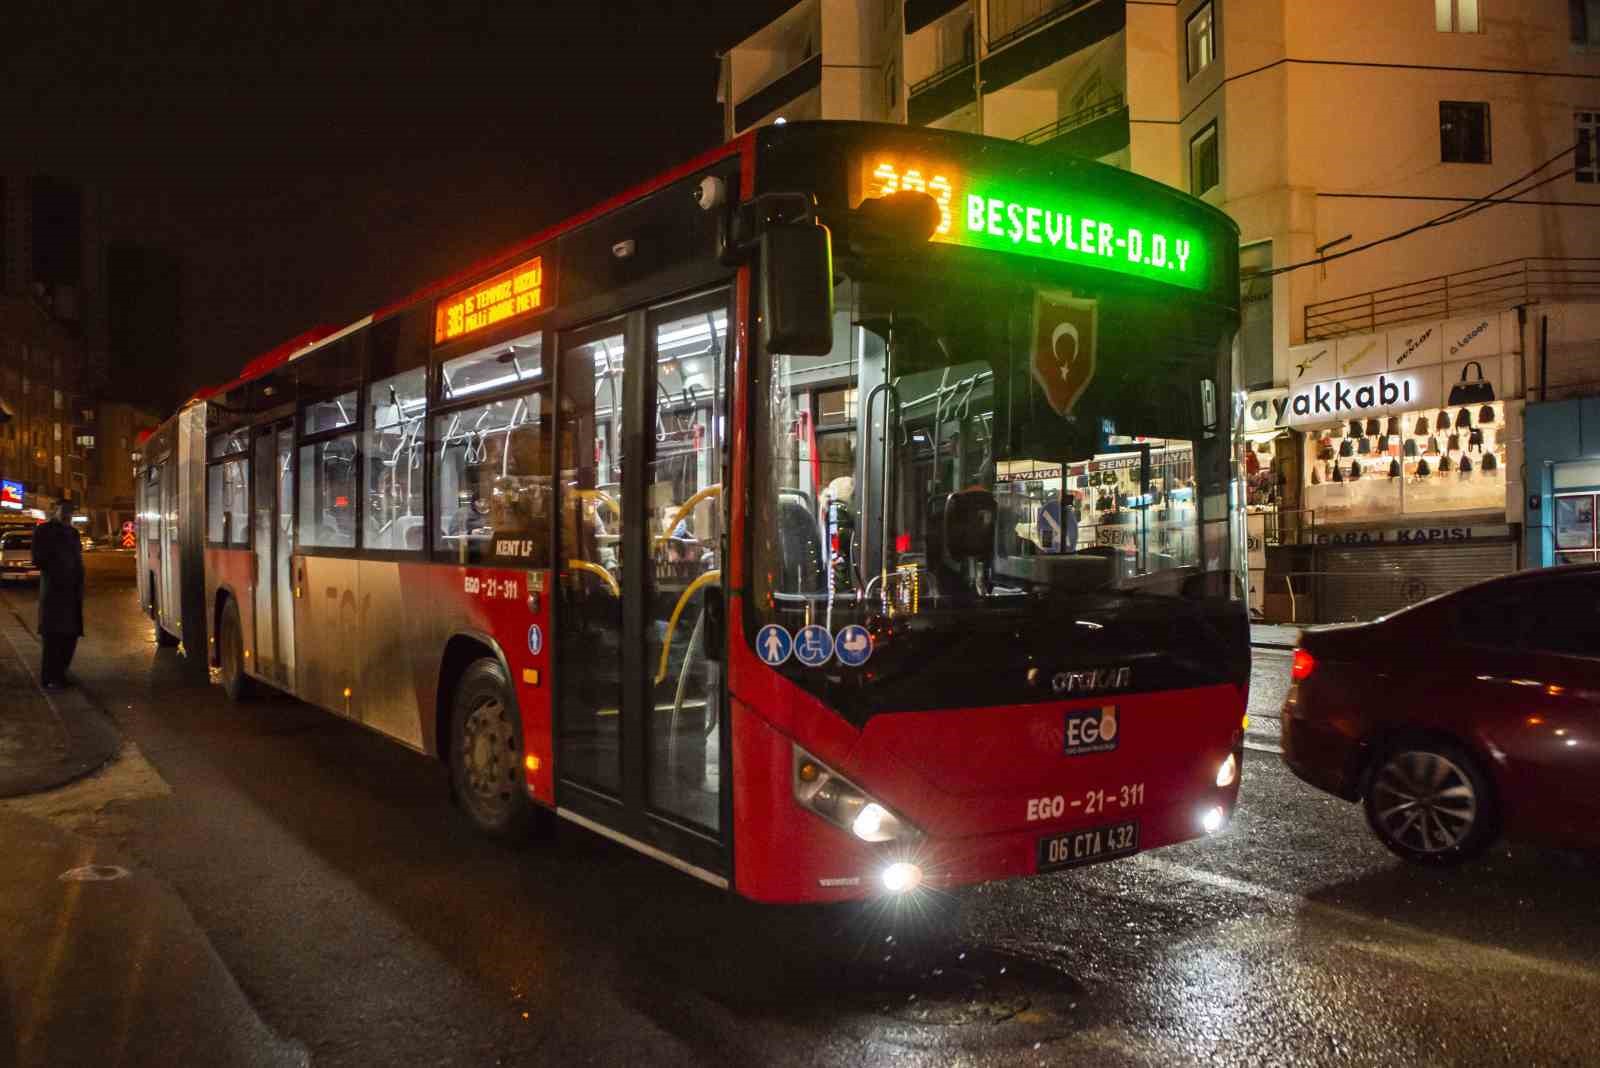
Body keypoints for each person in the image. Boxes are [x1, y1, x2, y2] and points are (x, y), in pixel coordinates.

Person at [31, 499, 85, 690]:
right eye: (64, 511)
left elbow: (78, 560)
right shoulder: (44, 531)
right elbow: (37, 559)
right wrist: (59, 564)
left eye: (70, 512)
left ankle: (60, 674)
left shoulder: (73, 533)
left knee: (69, 637)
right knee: (53, 637)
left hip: (72, 594)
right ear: (55, 511)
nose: (67, 515)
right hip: (54, 592)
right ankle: (50, 677)